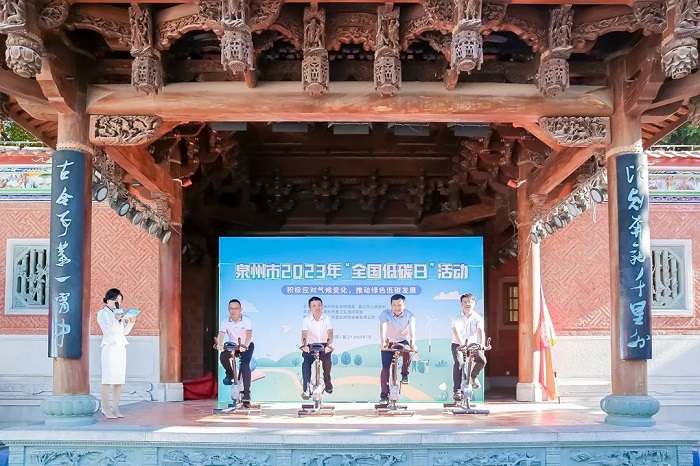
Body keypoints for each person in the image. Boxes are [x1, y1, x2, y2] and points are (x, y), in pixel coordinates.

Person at [96, 288, 137, 419]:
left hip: (120, 347)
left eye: (119, 301)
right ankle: (105, 408)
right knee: (107, 379)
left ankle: (115, 408)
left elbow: (123, 332)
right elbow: (106, 330)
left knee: (118, 380)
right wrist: (116, 319)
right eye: (114, 300)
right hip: (109, 347)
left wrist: (130, 323)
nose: (117, 303)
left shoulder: (119, 313)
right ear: (107, 300)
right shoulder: (103, 313)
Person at [451, 293, 490, 400]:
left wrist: (482, 343)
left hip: (472, 345)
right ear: (461, 304)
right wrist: (461, 344)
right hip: (458, 345)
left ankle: (473, 377)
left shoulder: (477, 317)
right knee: (459, 363)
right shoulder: (456, 317)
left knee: (482, 360)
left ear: (474, 303)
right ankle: (457, 391)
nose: (467, 304)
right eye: (465, 302)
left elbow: (480, 330)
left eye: (470, 302)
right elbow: (456, 331)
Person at [378, 293, 416, 404]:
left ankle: (404, 373)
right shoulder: (385, 314)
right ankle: (384, 396)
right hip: (389, 342)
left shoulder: (410, 315)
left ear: (404, 305)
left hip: (402, 341)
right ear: (391, 305)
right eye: (394, 305)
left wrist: (413, 343)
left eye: (399, 305)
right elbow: (383, 327)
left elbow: (412, 331)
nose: (396, 308)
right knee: (385, 369)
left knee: (408, 352)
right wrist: (383, 342)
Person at [216, 299, 254, 406]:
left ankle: (246, 393)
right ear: (228, 309)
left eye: (236, 308)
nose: (233, 311)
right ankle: (230, 373)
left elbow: (249, 334)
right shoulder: (225, 321)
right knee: (223, 356)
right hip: (233, 345)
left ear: (240, 309)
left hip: (246, 345)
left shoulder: (247, 320)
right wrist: (219, 344)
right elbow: (221, 334)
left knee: (245, 365)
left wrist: (245, 345)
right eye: (231, 308)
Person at [300, 296, 334, 399]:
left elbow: (330, 332)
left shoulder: (327, 318)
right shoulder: (306, 320)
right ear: (310, 308)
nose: (317, 308)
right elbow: (304, 334)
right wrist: (304, 345)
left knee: (327, 360)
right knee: (306, 362)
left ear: (322, 306)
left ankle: (327, 381)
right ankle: (306, 389)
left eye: (319, 305)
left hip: (324, 345)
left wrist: (329, 345)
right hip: (310, 346)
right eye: (314, 306)